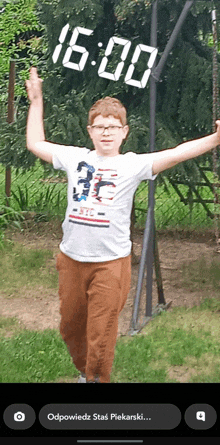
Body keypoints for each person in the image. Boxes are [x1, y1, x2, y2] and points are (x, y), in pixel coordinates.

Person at [26, 67, 220, 383]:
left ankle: (96, 381)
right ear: (89, 131)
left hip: (110, 266)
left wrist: (215, 139)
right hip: (71, 260)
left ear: (124, 132)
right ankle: (84, 372)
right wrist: (36, 102)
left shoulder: (132, 164)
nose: (106, 132)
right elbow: (36, 143)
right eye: (99, 127)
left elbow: (175, 153)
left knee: (101, 334)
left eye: (112, 127)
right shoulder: (75, 158)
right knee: (70, 327)